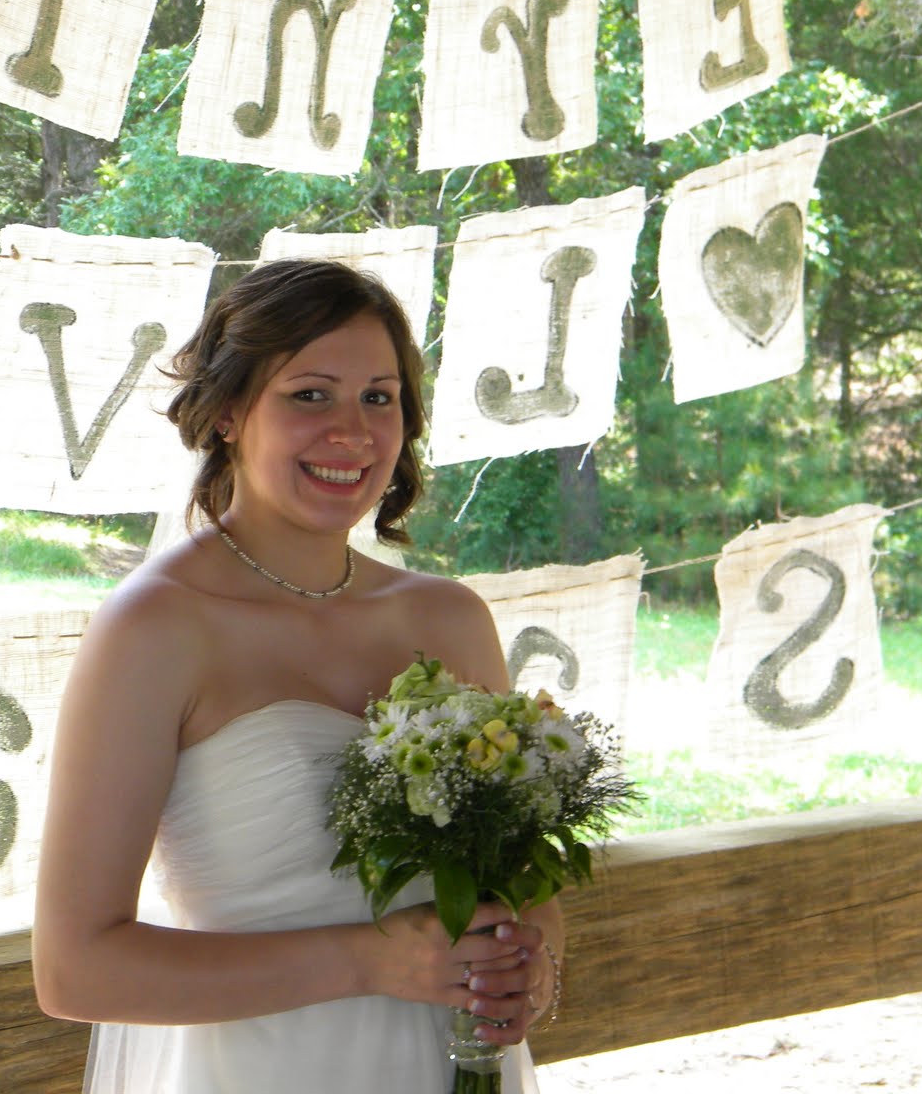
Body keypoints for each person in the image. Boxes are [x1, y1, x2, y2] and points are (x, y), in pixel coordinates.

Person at [32, 258, 562, 1093]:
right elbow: (75, 971)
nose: (352, 431)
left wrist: (531, 963)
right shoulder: (156, 629)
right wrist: (368, 962)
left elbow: (523, 884)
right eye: (310, 394)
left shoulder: (450, 619)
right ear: (231, 411)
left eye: (378, 397)